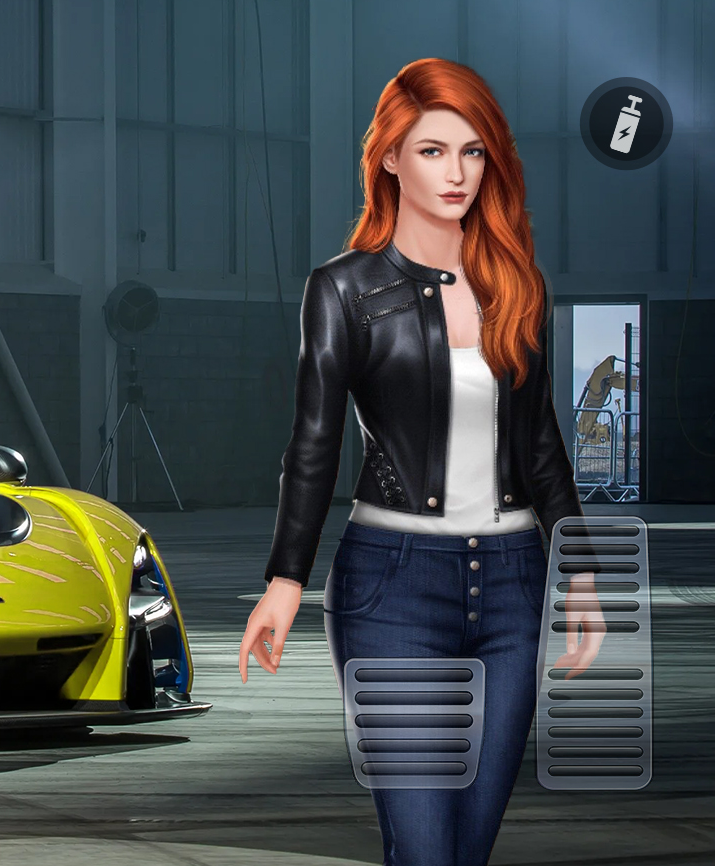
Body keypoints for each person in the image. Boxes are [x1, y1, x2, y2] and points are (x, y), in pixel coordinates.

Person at [237, 58, 604, 866]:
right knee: (426, 849)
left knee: (467, 851)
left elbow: (542, 444)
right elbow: (314, 442)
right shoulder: (343, 289)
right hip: (393, 589)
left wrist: (579, 574)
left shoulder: (518, 285)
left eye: (473, 151)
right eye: (433, 150)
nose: (457, 172)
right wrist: (285, 580)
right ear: (391, 159)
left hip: (513, 585)